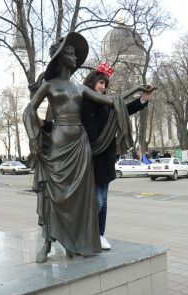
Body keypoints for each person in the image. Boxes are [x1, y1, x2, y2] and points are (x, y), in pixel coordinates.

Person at [23, 32, 118, 263]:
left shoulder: (81, 89)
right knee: (54, 194)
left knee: (77, 198)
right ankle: (47, 242)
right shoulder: (49, 85)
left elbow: (113, 101)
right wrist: (34, 139)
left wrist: (139, 94)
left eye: (75, 54)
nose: (74, 57)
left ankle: (73, 243)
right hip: (58, 144)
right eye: (69, 53)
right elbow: (28, 111)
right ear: (59, 58)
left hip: (80, 146)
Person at [81, 63, 153, 250]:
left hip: (105, 157)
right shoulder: (84, 101)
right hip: (90, 157)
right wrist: (47, 125)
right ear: (91, 82)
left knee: (103, 200)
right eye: (100, 83)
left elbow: (123, 110)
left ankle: (100, 234)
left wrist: (143, 100)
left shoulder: (108, 104)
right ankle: (86, 232)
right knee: (96, 200)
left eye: (105, 84)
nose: (103, 87)